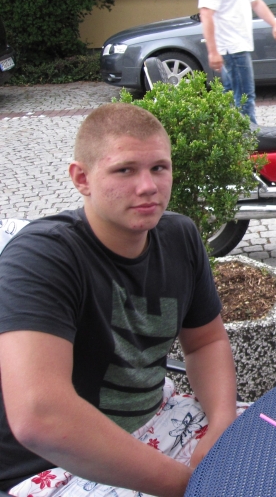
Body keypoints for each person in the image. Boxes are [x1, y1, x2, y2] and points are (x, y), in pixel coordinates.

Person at [0, 103, 241, 497]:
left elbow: (206, 342)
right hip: (55, 465)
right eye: (125, 170)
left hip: (160, 419)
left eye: (159, 168)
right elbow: (39, 417)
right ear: (82, 178)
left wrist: (222, 426)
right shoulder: (42, 257)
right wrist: (190, 487)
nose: (147, 186)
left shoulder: (180, 236)